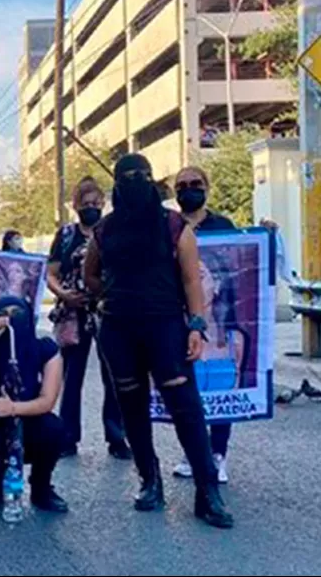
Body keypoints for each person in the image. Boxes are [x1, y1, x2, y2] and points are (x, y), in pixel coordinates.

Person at [84, 153, 234, 529]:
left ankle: (207, 492)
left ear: (151, 180)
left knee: (186, 407)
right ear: (117, 186)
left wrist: (196, 324)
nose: (135, 182)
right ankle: (149, 481)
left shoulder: (173, 226)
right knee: (132, 407)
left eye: (141, 176)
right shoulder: (104, 231)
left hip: (167, 326)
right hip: (118, 329)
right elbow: (91, 276)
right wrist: (113, 297)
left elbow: (190, 280)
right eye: (128, 177)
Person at [0, 296, 68, 513]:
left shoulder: (46, 349)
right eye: (3, 314)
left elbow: (47, 400)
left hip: (30, 418)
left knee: (54, 429)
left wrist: (12, 408)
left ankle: (41, 486)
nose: (9, 320)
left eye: (16, 314)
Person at [47, 176, 128, 460]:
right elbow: (52, 273)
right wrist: (65, 295)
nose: (92, 208)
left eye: (96, 203)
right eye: (86, 204)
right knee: (72, 377)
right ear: (75, 205)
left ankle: (117, 437)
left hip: (108, 312)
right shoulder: (67, 236)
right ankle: (67, 437)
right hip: (73, 314)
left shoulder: (113, 231)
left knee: (114, 376)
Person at [169, 165, 238, 483]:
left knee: (221, 389)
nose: (188, 189)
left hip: (217, 326)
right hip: (178, 320)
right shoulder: (168, 226)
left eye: (195, 183)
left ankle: (218, 453)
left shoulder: (223, 226)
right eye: (181, 185)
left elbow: (241, 267)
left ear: (207, 187)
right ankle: (193, 452)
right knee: (188, 394)